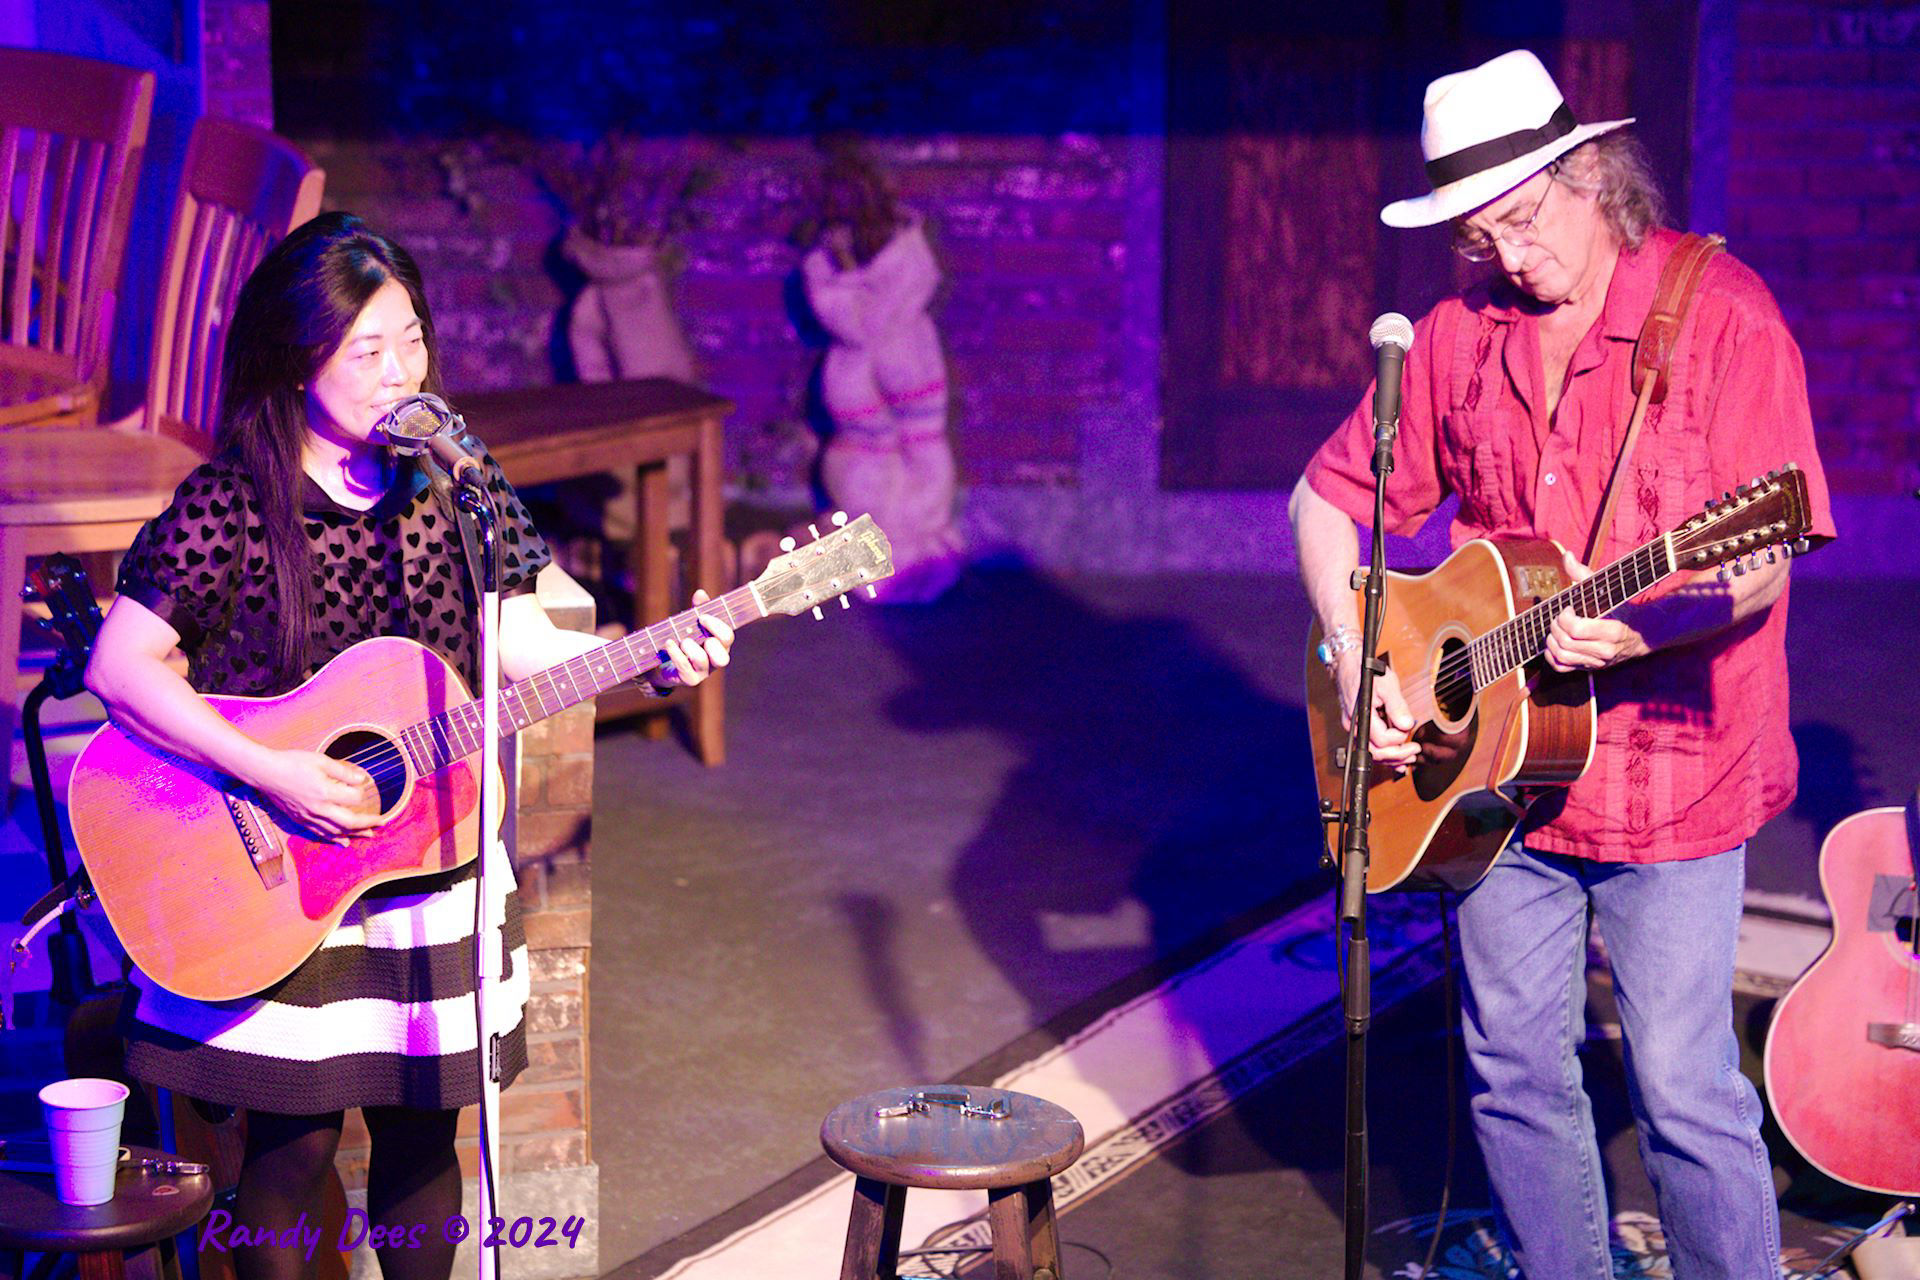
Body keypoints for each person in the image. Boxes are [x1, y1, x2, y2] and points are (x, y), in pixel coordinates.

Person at [83, 212, 735, 1280]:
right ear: (301, 359)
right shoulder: (234, 503)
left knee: (426, 1138)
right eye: (367, 349)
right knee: (291, 1155)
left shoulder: (454, 488)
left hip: (424, 858)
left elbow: (524, 641)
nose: (400, 372)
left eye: (413, 340)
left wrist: (652, 657)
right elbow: (121, 666)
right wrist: (274, 767)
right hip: (277, 863)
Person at [1289, 50, 1834, 1279]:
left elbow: (1760, 560)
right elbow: (1324, 501)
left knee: (1684, 1085)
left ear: (1593, 176)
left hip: (1674, 771)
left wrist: (1651, 626)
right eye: (1481, 239)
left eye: (1524, 222)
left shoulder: (1726, 316)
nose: (1511, 258)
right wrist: (1359, 644)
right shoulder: (1452, 337)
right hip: (1498, 774)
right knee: (1512, 1068)